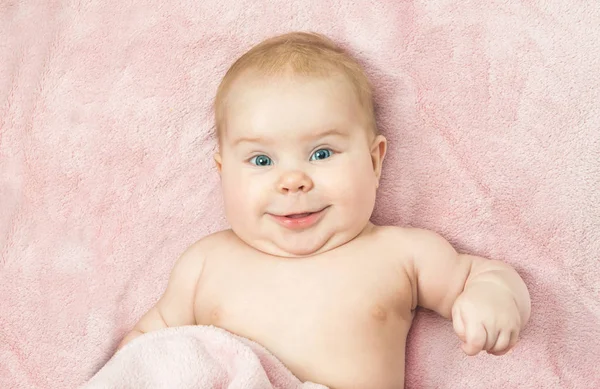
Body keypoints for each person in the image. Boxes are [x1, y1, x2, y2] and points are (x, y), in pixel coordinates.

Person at [117, 32, 531, 389]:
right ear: (222, 172)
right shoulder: (204, 263)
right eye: (262, 161)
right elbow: (145, 353)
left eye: (321, 152)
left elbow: (481, 274)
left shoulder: (399, 253)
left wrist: (492, 296)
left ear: (374, 161)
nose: (293, 180)